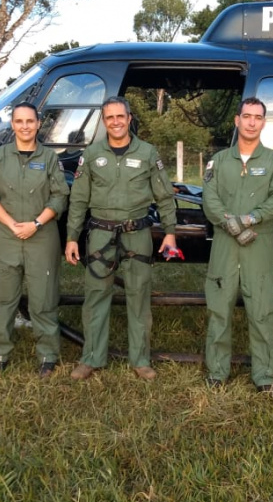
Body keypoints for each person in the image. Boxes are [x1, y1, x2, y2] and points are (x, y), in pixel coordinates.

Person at [65, 96, 178, 381]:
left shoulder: (148, 153)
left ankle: (140, 359)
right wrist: (72, 237)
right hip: (100, 235)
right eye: (109, 117)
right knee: (95, 297)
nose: (115, 122)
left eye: (120, 116)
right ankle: (91, 358)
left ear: (129, 118)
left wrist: (170, 233)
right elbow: (78, 199)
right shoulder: (91, 155)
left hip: (137, 233)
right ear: (104, 122)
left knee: (138, 297)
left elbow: (165, 196)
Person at [202, 97, 273, 392]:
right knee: (219, 307)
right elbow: (209, 197)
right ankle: (217, 371)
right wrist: (227, 221)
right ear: (237, 121)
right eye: (247, 116)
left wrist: (251, 218)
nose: (252, 122)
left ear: (264, 122)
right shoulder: (218, 160)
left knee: (263, 309)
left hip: (259, 243)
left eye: (258, 117)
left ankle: (264, 375)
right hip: (224, 245)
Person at [0, 102, 69, 379]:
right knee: (2, 298)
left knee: (43, 298)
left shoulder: (51, 158)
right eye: (19, 121)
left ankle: (47, 354)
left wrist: (36, 223)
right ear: (12, 124)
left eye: (30, 121)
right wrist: (11, 224)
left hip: (41, 237)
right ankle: (0, 352)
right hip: (5, 237)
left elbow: (59, 196)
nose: (25, 126)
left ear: (38, 123)